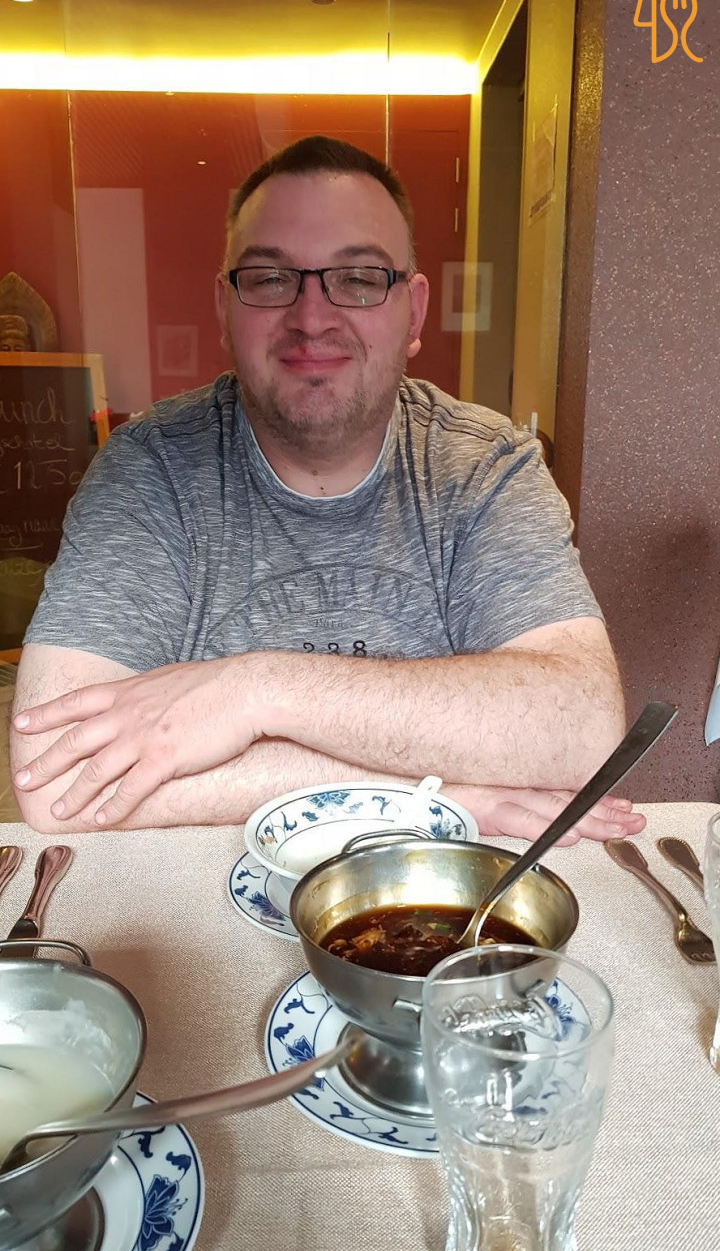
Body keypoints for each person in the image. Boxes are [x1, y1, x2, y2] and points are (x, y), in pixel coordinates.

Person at [10, 136, 643, 844]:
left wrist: (253, 692)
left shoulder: (483, 466)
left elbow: (584, 730)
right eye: (269, 278)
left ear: (414, 312)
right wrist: (432, 793)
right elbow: (55, 782)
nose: (312, 318)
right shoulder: (147, 470)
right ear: (224, 309)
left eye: (360, 277)